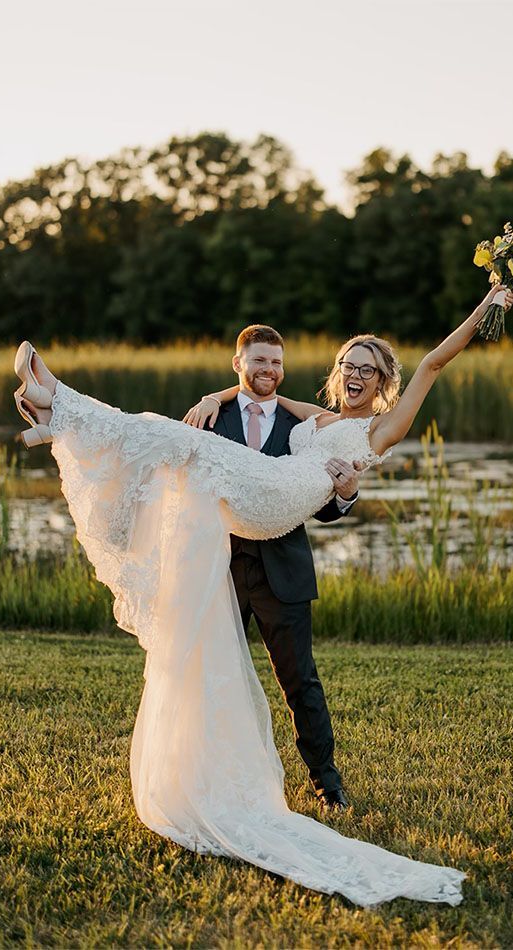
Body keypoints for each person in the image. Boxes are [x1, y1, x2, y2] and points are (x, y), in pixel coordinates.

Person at [12, 283, 513, 907]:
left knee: (186, 448)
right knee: (178, 444)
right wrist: (215, 394)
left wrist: (488, 303)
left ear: (385, 380)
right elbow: (254, 390)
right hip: (254, 508)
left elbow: (434, 363)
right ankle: (57, 417)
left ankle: (58, 407)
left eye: (369, 369)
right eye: (349, 365)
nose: (357, 375)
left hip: (277, 501)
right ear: (338, 372)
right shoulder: (316, 416)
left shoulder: (382, 428)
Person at [184, 324, 359, 811]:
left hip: (284, 571)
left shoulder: (302, 429)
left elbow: (320, 504)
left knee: (300, 681)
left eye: (276, 362)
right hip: (219, 569)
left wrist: (346, 495)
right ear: (237, 363)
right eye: (259, 360)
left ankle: (327, 782)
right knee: (212, 678)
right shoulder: (208, 418)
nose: (269, 370)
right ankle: (208, 778)